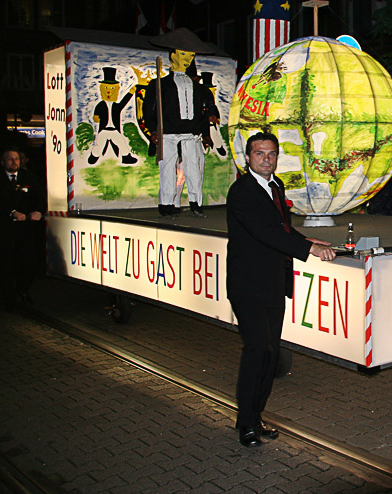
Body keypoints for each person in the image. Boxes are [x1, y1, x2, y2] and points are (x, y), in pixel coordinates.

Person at [226, 132, 336, 447]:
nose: (266, 159)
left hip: (275, 282)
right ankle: (246, 422)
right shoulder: (241, 192)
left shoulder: (276, 187)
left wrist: (307, 241)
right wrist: (308, 251)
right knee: (257, 350)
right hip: (248, 285)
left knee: (270, 353)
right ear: (247, 157)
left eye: (272, 153)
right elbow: (263, 233)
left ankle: (255, 416)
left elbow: (281, 229)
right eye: (259, 153)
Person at [142, 28, 216, 217]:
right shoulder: (160, 85)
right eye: (184, 53)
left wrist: (204, 129)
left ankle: (195, 202)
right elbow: (148, 110)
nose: (188, 58)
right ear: (173, 55)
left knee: (194, 169)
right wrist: (152, 130)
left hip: (191, 134)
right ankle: (167, 203)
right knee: (167, 168)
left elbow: (204, 108)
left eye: (191, 55)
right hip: (168, 133)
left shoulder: (198, 89)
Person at [0, 147, 45, 310]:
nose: (14, 162)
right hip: (3, 230)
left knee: (29, 262)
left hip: (26, 229)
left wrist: (38, 211)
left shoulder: (29, 177)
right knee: (5, 264)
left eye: (16, 159)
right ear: (2, 162)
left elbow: (39, 196)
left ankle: (21, 290)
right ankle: (8, 297)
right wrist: (12, 212)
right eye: (10, 159)